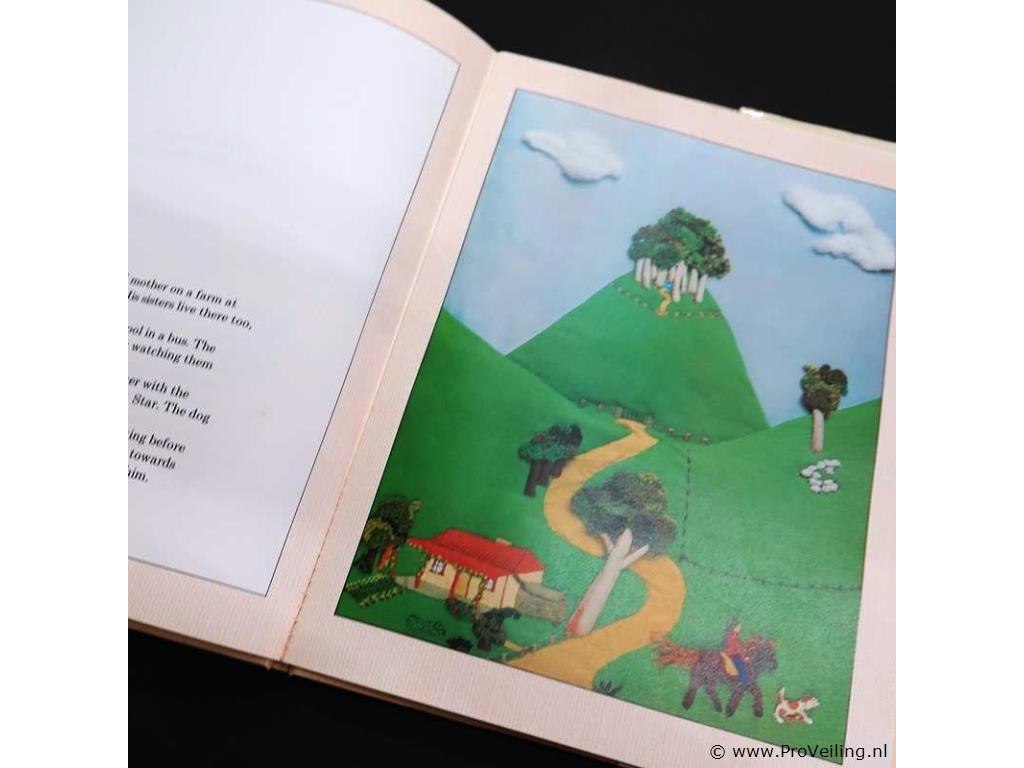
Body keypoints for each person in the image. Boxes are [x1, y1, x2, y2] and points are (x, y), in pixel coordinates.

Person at [722, 620, 751, 685]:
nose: (739, 628)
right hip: (733, 654)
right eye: (738, 626)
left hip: (733, 653)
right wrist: (744, 656)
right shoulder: (732, 635)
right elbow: (736, 648)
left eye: (739, 627)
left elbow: (738, 646)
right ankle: (745, 681)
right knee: (741, 664)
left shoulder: (734, 635)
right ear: (734, 627)